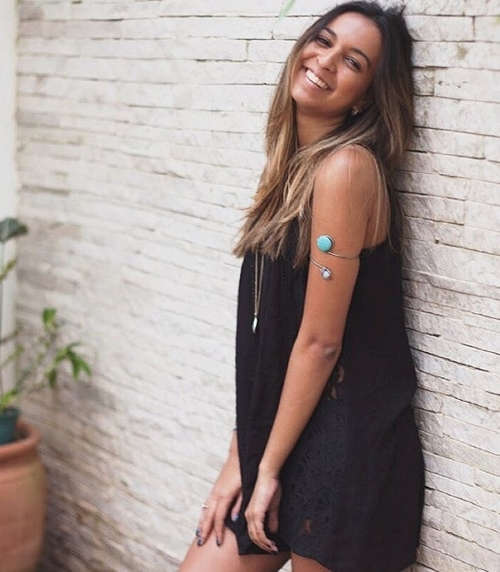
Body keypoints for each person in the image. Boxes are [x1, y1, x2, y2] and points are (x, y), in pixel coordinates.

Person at [179, 2, 425, 571]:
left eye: (354, 62)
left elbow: (320, 343)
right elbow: (271, 341)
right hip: (283, 431)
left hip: (343, 449)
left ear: (366, 96)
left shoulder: (346, 170)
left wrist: (264, 469)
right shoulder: (292, 170)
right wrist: (241, 455)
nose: (326, 61)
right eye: (324, 40)